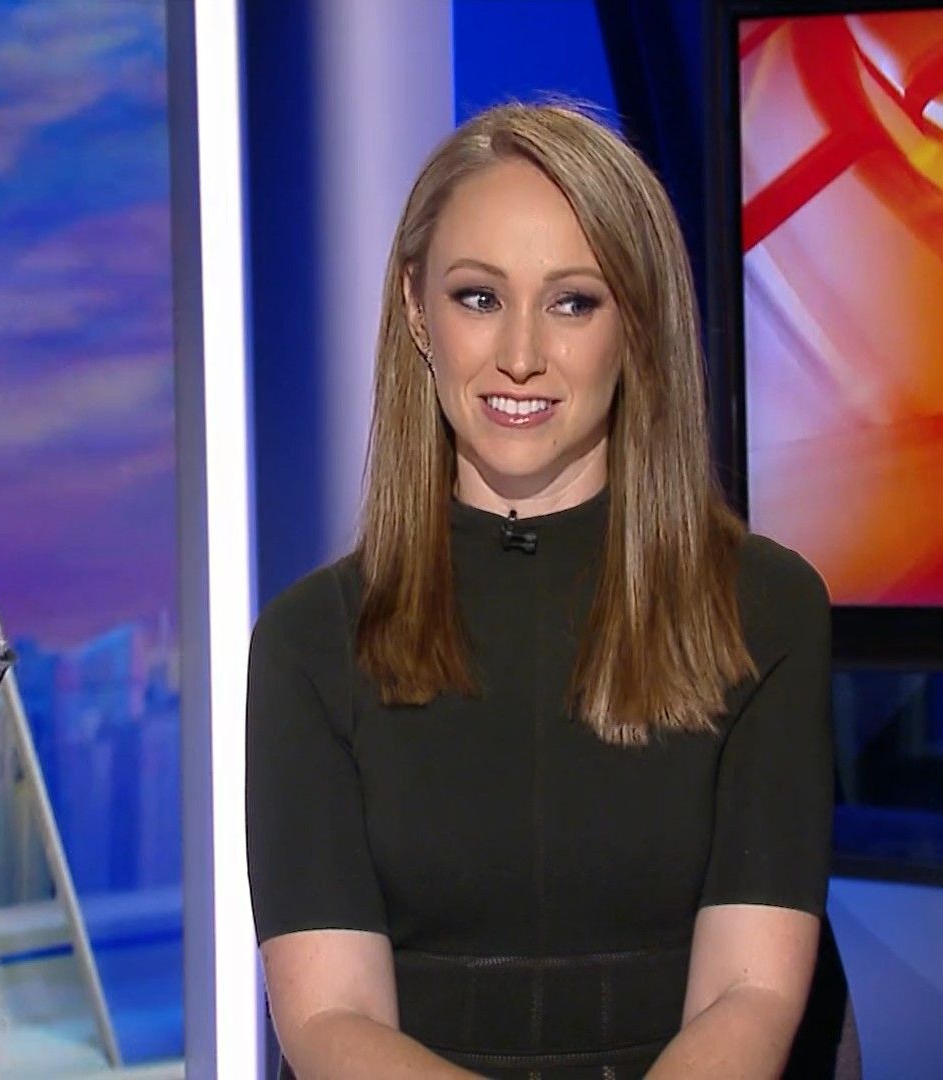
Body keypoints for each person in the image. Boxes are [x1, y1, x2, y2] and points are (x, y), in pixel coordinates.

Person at [246, 102, 841, 1079]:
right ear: (417, 311)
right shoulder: (311, 640)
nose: (520, 355)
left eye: (573, 303)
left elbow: (751, 995)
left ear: (635, 321)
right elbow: (330, 1019)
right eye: (479, 297)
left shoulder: (766, 610)